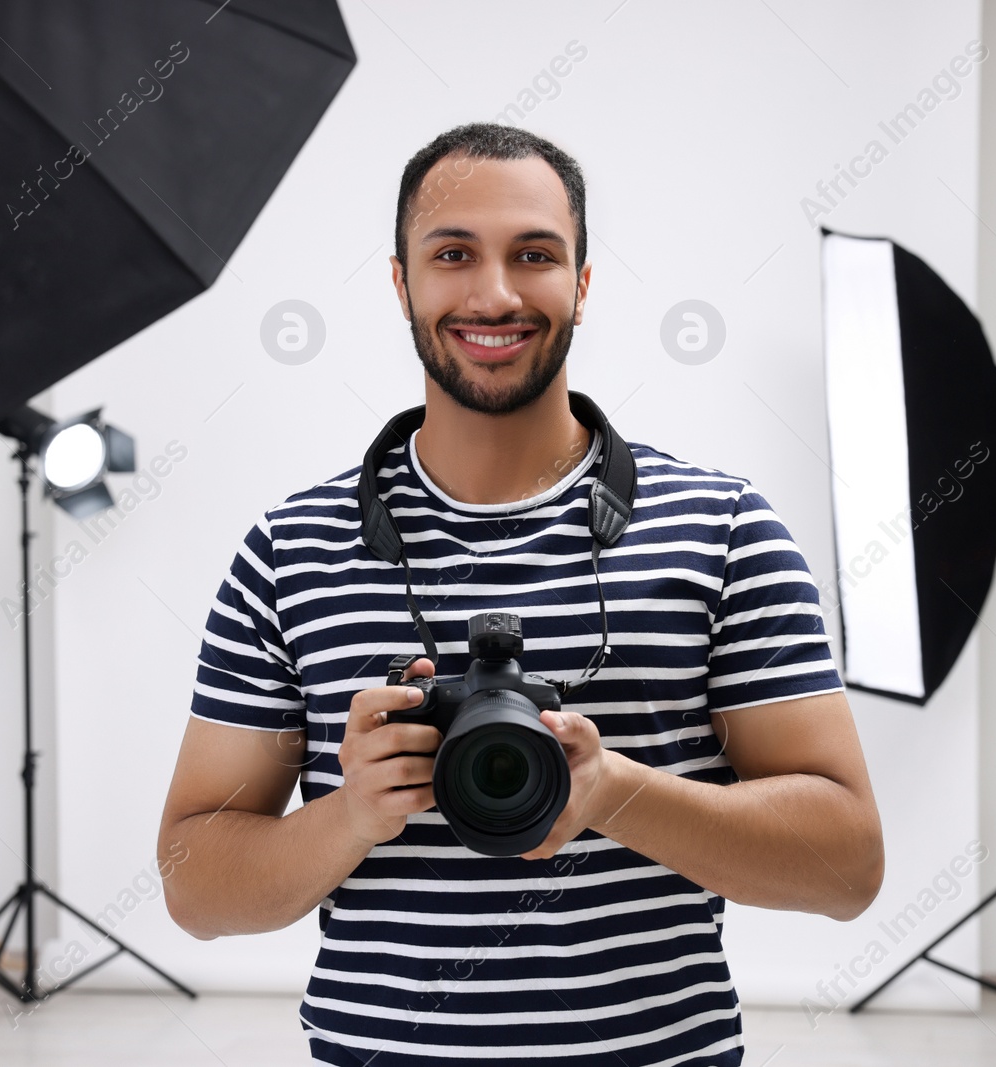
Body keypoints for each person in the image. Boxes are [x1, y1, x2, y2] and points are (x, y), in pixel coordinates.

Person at [158, 122, 884, 1066]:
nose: (493, 293)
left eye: (534, 254)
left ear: (582, 283)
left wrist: (618, 790)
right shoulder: (289, 551)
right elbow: (191, 887)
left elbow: (847, 867)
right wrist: (353, 812)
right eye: (452, 253)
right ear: (400, 282)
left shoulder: (726, 529)